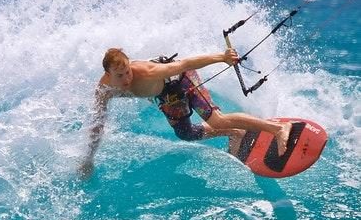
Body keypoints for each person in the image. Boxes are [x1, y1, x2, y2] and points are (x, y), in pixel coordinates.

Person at [78, 47, 292, 178]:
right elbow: (97, 124)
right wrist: (88, 159)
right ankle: (235, 132)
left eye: (127, 72)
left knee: (217, 120)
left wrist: (222, 57)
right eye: (120, 75)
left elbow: (185, 63)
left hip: (182, 79)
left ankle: (277, 128)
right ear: (108, 74)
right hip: (165, 95)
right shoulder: (104, 91)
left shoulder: (147, 72)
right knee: (186, 133)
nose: (127, 79)